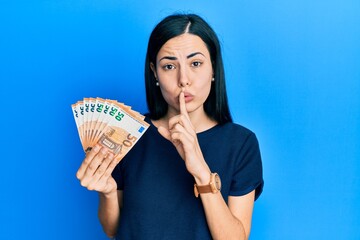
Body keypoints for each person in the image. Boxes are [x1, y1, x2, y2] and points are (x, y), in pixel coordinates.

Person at [76, 13, 264, 239]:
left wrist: (202, 172)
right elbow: (113, 230)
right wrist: (107, 194)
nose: (184, 79)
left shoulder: (241, 143)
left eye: (196, 63)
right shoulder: (128, 132)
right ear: (155, 72)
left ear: (213, 68)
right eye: (169, 67)